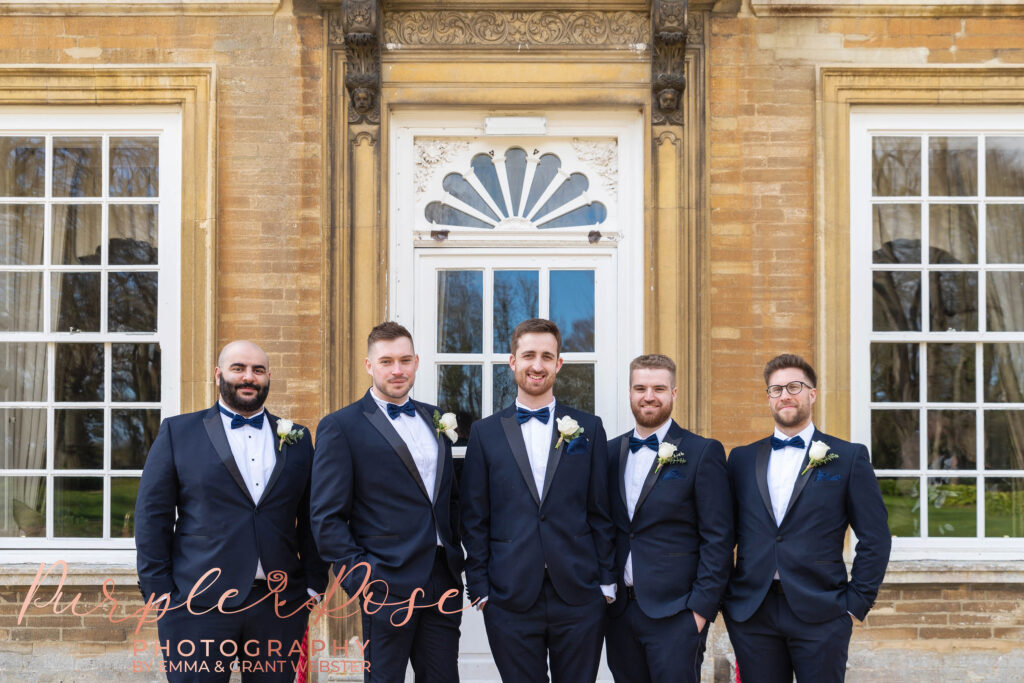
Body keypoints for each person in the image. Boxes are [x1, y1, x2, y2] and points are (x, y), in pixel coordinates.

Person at [135, 340, 328, 681]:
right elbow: (152, 517)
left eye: (257, 370)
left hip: (278, 605)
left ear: (268, 376)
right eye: (238, 368)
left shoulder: (298, 438)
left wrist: (312, 584)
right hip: (196, 604)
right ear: (218, 374)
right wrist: (160, 593)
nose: (248, 377)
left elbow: (313, 517)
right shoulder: (177, 433)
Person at [461, 318, 615, 683]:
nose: (537, 364)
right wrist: (479, 588)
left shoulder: (588, 428)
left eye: (547, 356)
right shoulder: (485, 433)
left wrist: (606, 583)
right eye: (528, 355)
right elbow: (474, 516)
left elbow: (601, 511)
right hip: (508, 596)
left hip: (579, 594)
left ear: (558, 364)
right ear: (512, 362)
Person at [311, 321, 463, 683]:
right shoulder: (341, 426)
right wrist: (363, 579)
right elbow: (326, 518)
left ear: (416, 362)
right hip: (385, 585)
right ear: (369, 366)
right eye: (387, 361)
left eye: (405, 360)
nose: (398, 370)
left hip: (443, 580)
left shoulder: (436, 418)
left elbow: (450, 499)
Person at [724, 354, 891, 682]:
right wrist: (724, 598)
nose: (785, 395)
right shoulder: (741, 459)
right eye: (776, 389)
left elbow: (875, 536)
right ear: (768, 397)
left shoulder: (848, 457)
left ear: (812, 394)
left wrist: (855, 602)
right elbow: (721, 533)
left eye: (794, 386)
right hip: (752, 612)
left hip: (823, 611)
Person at [605, 354, 732, 683]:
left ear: (674, 393)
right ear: (630, 393)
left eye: (659, 388)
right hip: (618, 614)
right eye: (640, 388)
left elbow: (718, 538)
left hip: (676, 615)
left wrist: (700, 612)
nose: (649, 396)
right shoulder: (607, 453)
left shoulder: (702, 452)